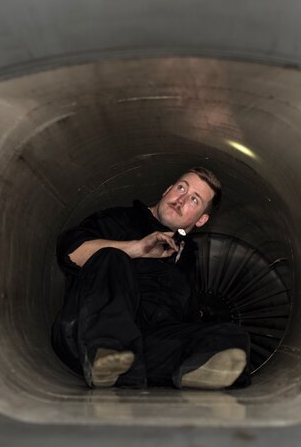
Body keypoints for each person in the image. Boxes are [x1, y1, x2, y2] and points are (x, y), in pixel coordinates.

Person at [51, 167, 251, 390]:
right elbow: (69, 252)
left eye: (194, 199)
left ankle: (170, 370)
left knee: (232, 337)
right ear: (167, 190)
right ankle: (107, 355)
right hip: (85, 335)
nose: (181, 199)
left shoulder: (186, 259)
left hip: (145, 348)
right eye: (181, 187)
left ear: (202, 220)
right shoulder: (120, 220)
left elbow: (185, 322)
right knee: (113, 258)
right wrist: (136, 248)